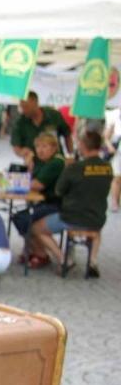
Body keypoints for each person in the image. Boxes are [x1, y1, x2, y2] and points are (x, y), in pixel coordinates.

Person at [31, 131, 113, 277]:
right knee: (95, 229)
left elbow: (59, 191)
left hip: (71, 217)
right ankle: (93, 261)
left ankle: (63, 260)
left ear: (82, 146)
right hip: (98, 217)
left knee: (37, 228)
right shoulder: (108, 167)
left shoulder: (75, 168)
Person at [14, 132, 66, 267]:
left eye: (44, 146)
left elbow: (36, 185)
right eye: (37, 147)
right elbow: (30, 179)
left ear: (54, 148)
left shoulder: (56, 163)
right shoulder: (43, 161)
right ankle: (34, 250)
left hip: (57, 204)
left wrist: (17, 182)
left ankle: (40, 254)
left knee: (23, 218)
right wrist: (29, 163)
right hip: (45, 202)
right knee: (19, 216)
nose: (40, 150)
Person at [11, 91, 72, 160]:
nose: (24, 111)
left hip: (56, 160)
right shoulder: (20, 123)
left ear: (35, 103)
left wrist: (70, 154)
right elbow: (16, 146)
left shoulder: (53, 115)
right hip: (35, 163)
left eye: (26, 107)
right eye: (22, 107)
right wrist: (22, 152)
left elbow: (67, 135)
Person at [104, 105, 120, 212]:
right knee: (117, 177)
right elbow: (106, 136)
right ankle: (115, 202)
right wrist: (109, 146)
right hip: (118, 152)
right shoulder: (114, 115)